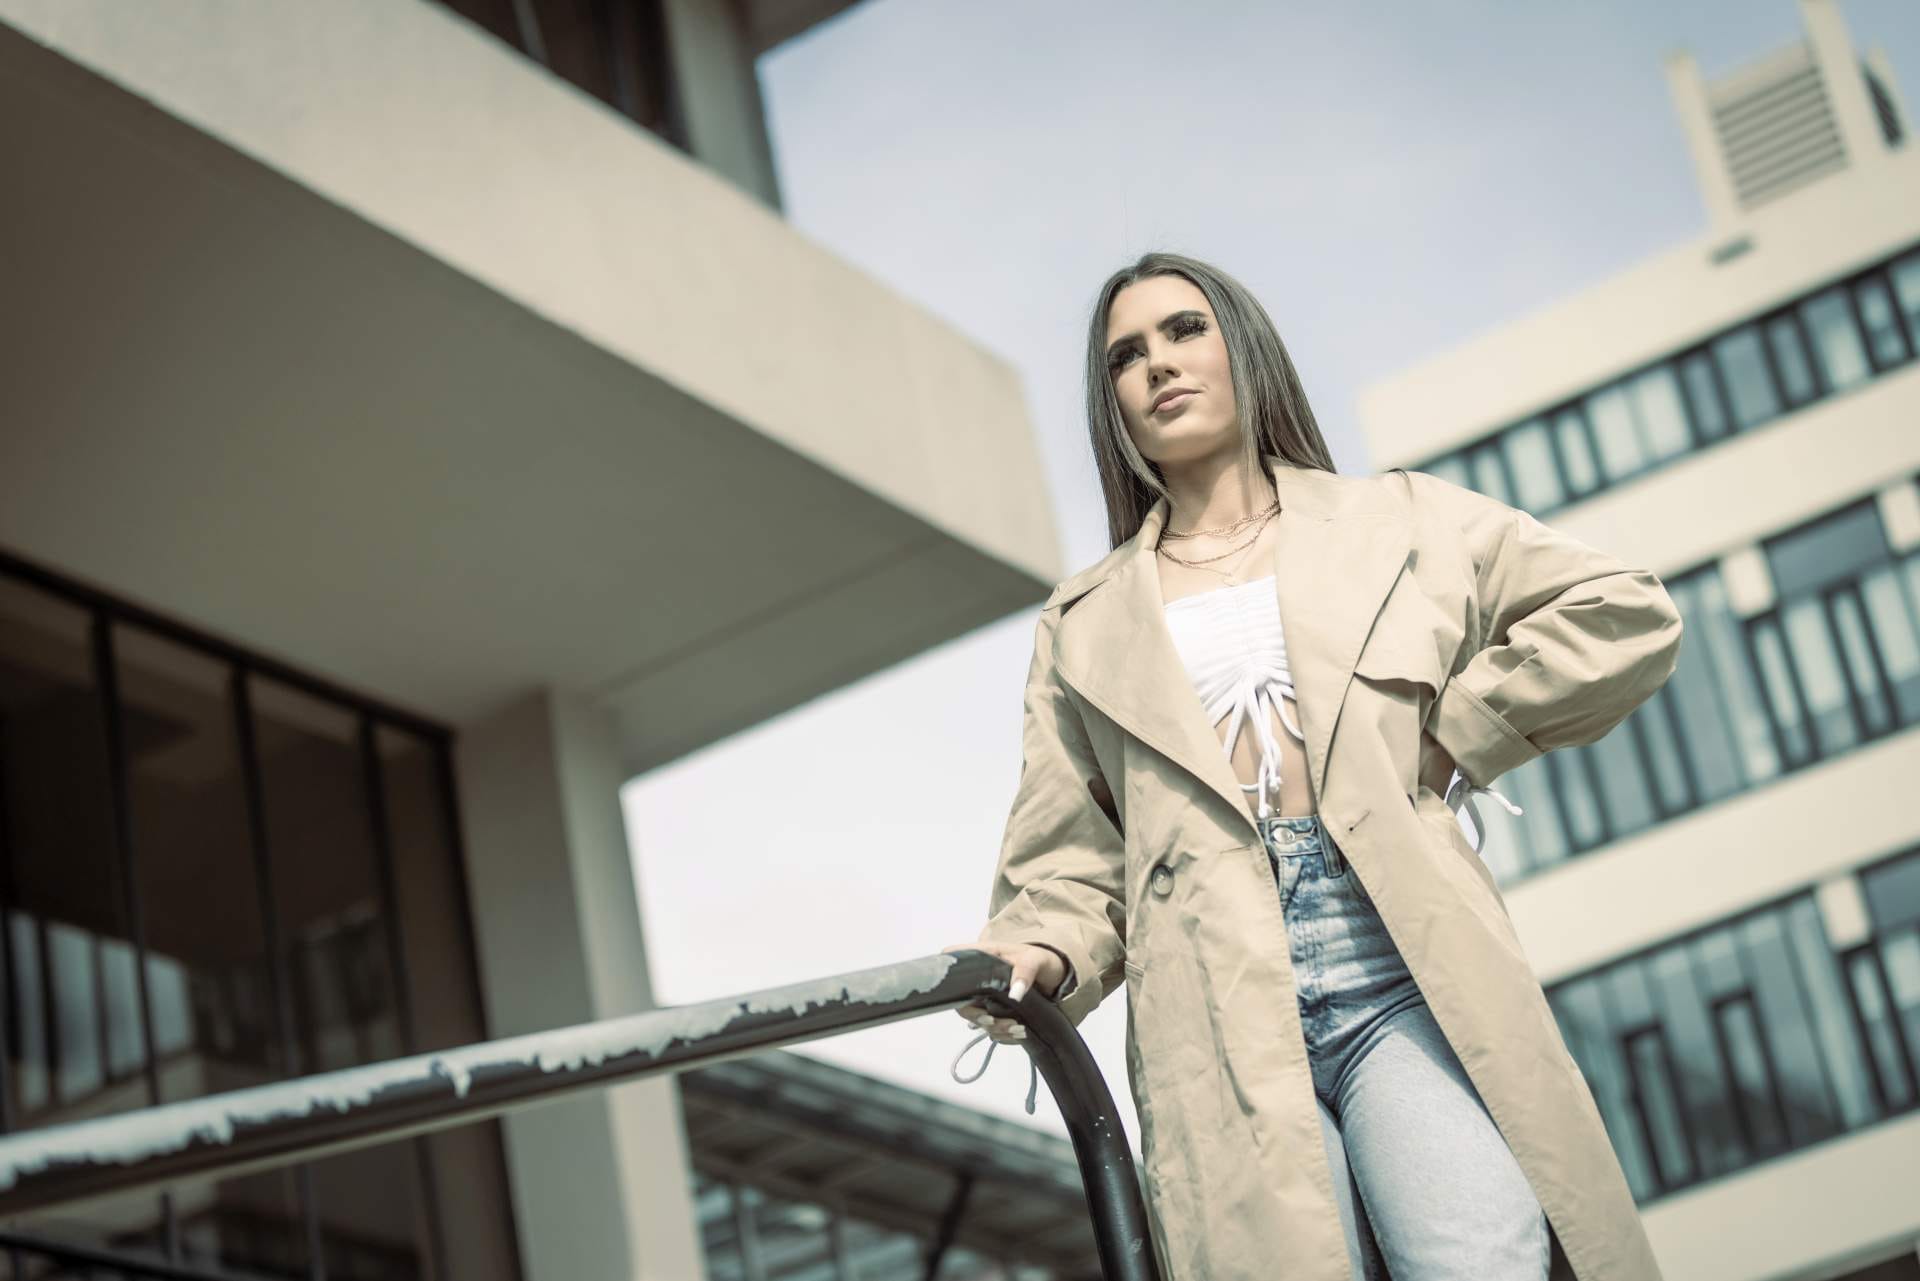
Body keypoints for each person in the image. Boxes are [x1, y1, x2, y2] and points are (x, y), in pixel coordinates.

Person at [941, 252, 1682, 1280]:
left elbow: (1623, 614)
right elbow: (1069, 863)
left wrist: (1461, 730)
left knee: (1480, 1260)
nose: (1157, 364)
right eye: (1126, 356)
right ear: (1110, 403)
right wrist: (1041, 957)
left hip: (1399, 973)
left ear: (1244, 350)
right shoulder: (1083, 625)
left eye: (1184, 331)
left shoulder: (1402, 522)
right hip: (1211, 1014)